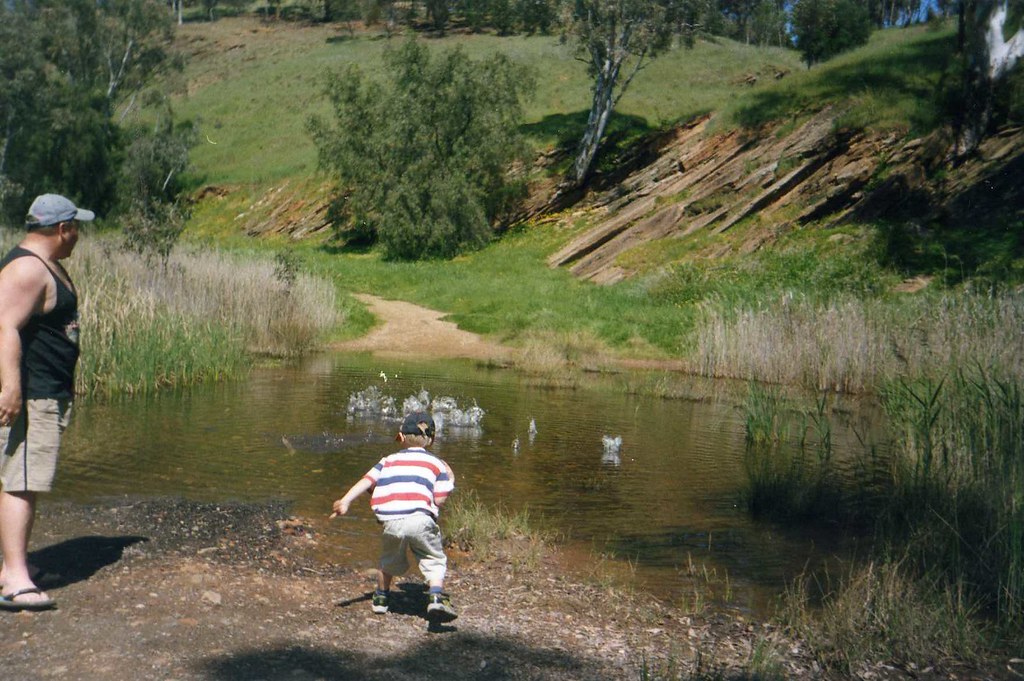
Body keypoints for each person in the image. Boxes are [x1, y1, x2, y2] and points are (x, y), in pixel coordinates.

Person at [0, 193, 93, 611]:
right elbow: (3, 327)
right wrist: (12, 390)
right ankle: (15, 579)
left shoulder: (42, 265)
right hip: (31, 394)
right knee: (20, 482)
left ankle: (13, 566)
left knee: (26, 481)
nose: (78, 236)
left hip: (43, 392)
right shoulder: (26, 269)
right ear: (62, 229)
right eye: (77, 228)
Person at [332, 411, 458, 622]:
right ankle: (435, 597)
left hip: (392, 522)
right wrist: (451, 479)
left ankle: (381, 599)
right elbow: (440, 500)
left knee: (388, 562)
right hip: (421, 520)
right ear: (432, 439)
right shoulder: (437, 464)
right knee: (433, 558)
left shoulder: (388, 460)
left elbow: (366, 481)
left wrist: (345, 501)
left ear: (400, 436)